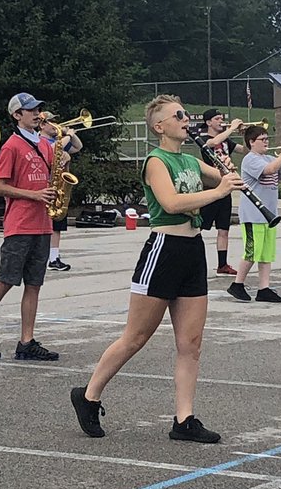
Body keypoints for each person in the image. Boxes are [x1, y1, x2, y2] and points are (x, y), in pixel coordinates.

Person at [70, 94, 244, 443]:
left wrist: (226, 168)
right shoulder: (156, 160)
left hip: (193, 250)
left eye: (185, 114)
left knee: (191, 343)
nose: (185, 119)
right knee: (135, 337)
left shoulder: (192, 162)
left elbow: (227, 178)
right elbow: (171, 202)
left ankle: (184, 420)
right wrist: (219, 190)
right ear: (159, 126)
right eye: (177, 116)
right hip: (164, 249)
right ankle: (88, 395)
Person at [0, 93, 61, 361]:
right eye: (31, 110)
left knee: (34, 284)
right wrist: (34, 195)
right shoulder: (12, 146)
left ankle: (26, 341)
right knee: (7, 280)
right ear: (17, 115)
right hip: (20, 223)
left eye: (39, 109)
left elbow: (65, 159)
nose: (37, 114)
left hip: (42, 223)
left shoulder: (43, 142)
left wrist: (65, 140)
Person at [228, 125, 281, 304]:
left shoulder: (269, 157)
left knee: (266, 254)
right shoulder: (250, 160)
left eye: (267, 139)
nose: (266, 142)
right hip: (253, 214)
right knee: (252, 251)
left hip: (270, 215)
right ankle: (237, 284)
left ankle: (264, 288)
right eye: (262, 139)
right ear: (251, 142)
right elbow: (270, 170)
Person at [198, 109, 245, 275]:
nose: (221, 121)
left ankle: (222, 264)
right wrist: (231, 128)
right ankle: (193, 260)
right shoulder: (203, 138)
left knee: (224, 228)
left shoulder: (227, 141)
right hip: (210, 188)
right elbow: (212, 143)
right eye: (217, 119)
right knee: (199, 227)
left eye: (221, 118)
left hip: (226, 187)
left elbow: (244, 150)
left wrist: (248, 135)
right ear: (209, 122)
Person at [39, 114, 84, 271]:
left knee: (57, 225)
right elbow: (52, 151)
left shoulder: (58, 140)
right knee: (46, 225)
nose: (55, 125)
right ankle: (42, 257)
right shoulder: (40, 141)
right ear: (42, 125)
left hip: (57, 185)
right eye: (51, 122)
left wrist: (72, 134)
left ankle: (54, 257)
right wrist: (67, 136)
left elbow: (78, 147)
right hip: (45, 185)